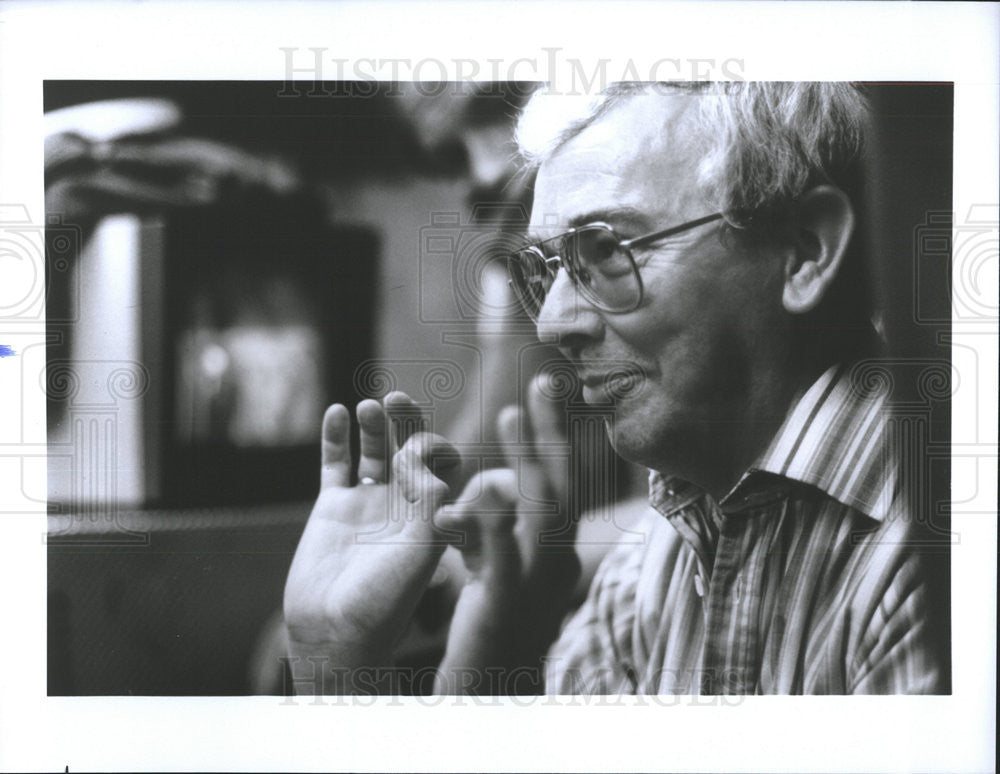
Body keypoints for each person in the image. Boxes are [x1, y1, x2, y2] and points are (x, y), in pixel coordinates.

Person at [283, 82, 945, 695]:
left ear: (803, 250)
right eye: (545, 271)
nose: (550, 324)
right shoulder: (658, 556)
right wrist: (346, 660)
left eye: (607, 250)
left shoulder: (931, 570)